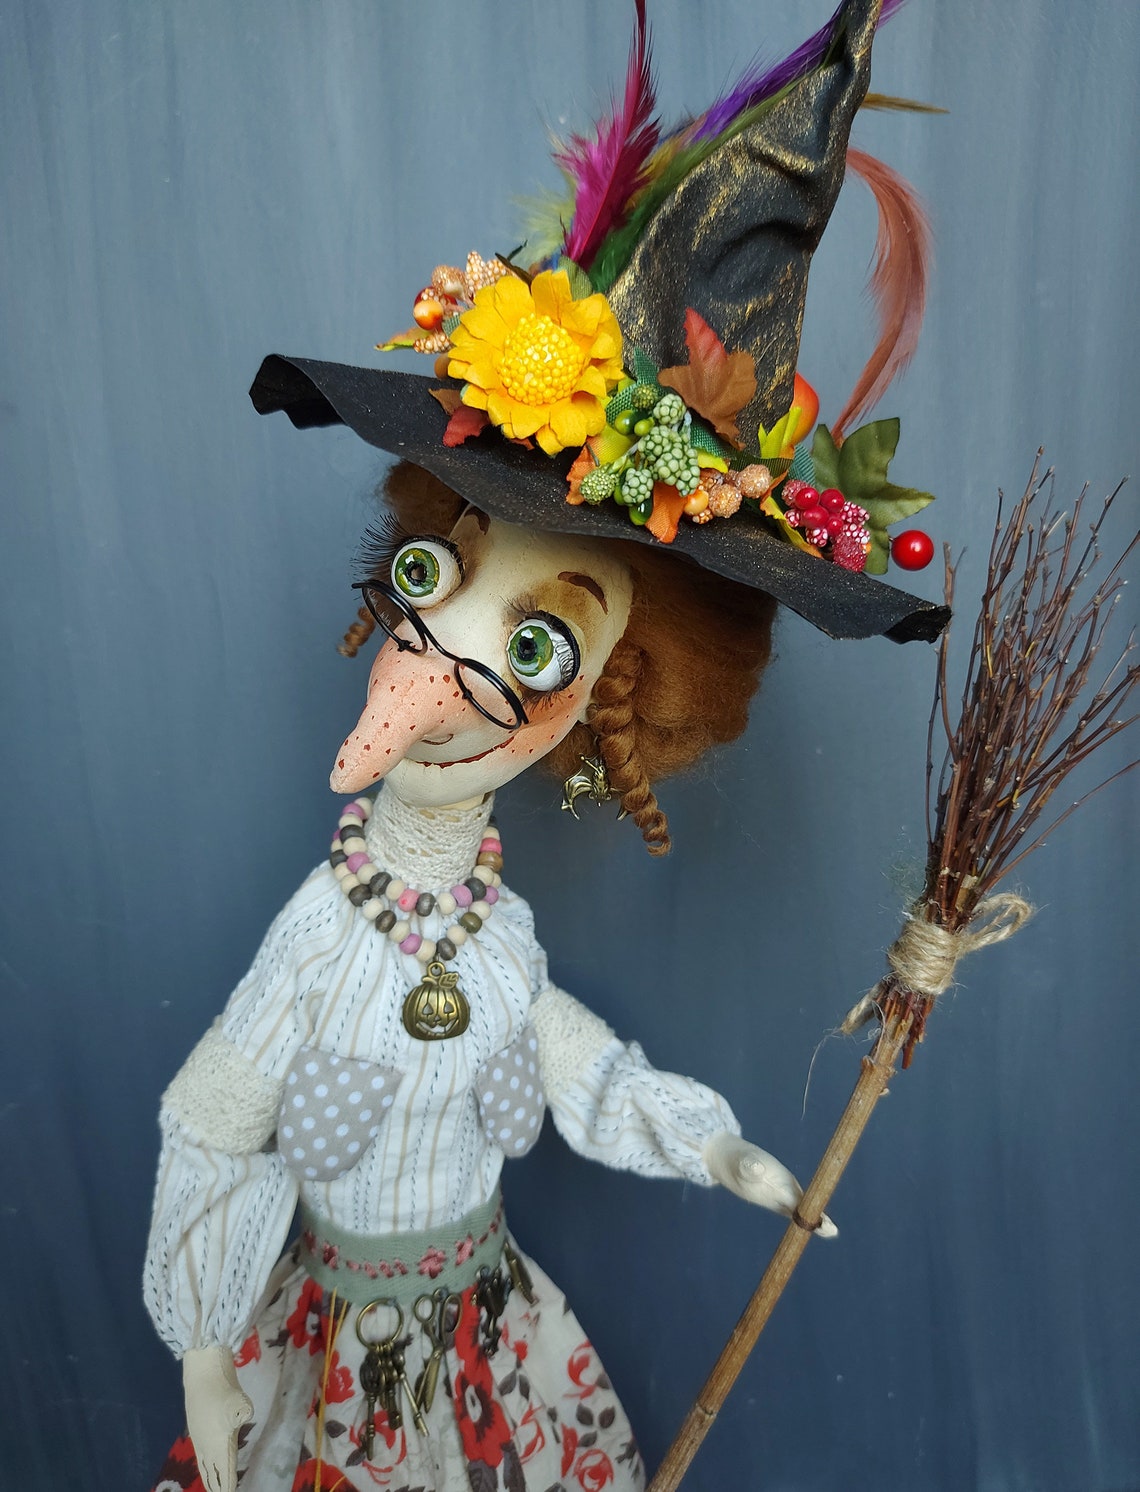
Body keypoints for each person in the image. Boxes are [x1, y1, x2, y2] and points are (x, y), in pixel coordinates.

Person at [146, 3, 948, 1488]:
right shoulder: (321, 940)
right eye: (432, 578)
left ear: (608, 705)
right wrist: (207, 1351)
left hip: (489, 1341)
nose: (442, 676)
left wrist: (713, 1148)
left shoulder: (497, 939)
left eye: (539, 652)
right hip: (339, 1355)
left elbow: (574, 1063)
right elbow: (213, 1120)